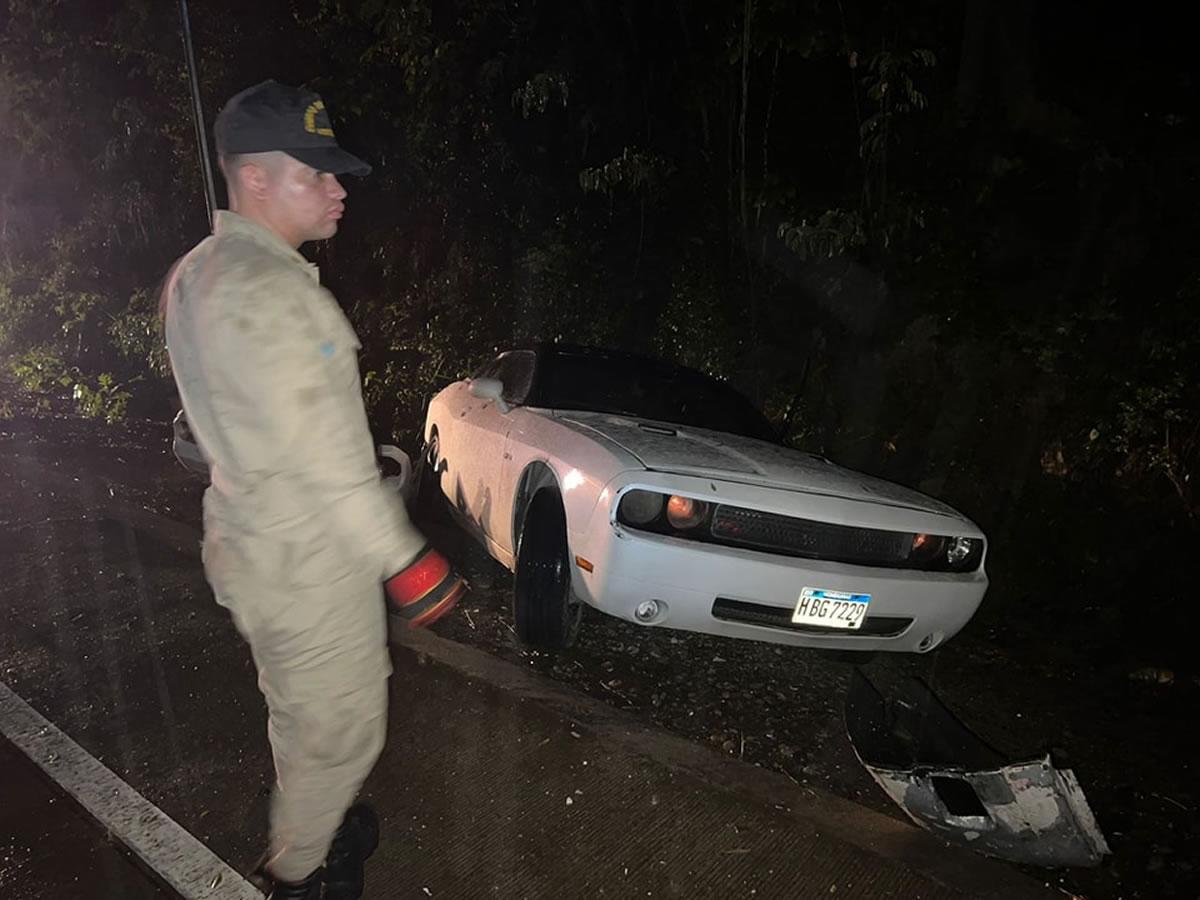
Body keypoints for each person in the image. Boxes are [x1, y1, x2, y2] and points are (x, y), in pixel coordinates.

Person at [162, 80, 466, 900]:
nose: (339, 189)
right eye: (316, 174)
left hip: (252, 542)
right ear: (256, 178)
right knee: (343, 735)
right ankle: (299, 876)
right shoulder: (274, 298)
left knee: (299, 711)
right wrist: (407, 561)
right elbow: (326, 462)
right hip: (307, 562)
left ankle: (317, 826)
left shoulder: (196, 273)